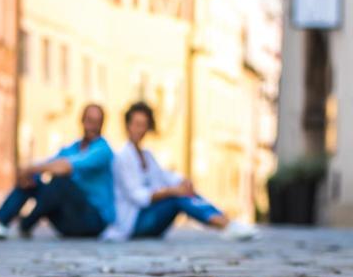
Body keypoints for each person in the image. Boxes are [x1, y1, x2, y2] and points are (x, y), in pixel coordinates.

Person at [102, 102, 257, 242]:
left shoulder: (147, 155)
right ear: (128, 126)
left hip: (148, 218)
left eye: (144, 125)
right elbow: (138, 197)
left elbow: (165, 177)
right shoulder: (122, 157)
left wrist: (182, 182)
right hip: (133, 223)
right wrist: (172, 191)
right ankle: (226, 226)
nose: (140, 130)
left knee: (185, 190)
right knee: (177, 197)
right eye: (136, 124)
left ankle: (226, 222)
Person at [0, 104, 116, 240]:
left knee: (59, 182)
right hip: (68, 220)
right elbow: (49, 164)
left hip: (93, 220)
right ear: (82, 121)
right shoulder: (71, 149)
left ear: (102, 125)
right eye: (89, 121)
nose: (92, 127)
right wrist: (28, 174)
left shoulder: (103, 150)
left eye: (97, 123)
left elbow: (63, 167)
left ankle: (25, 224)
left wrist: (30, 168)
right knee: (33, 179)